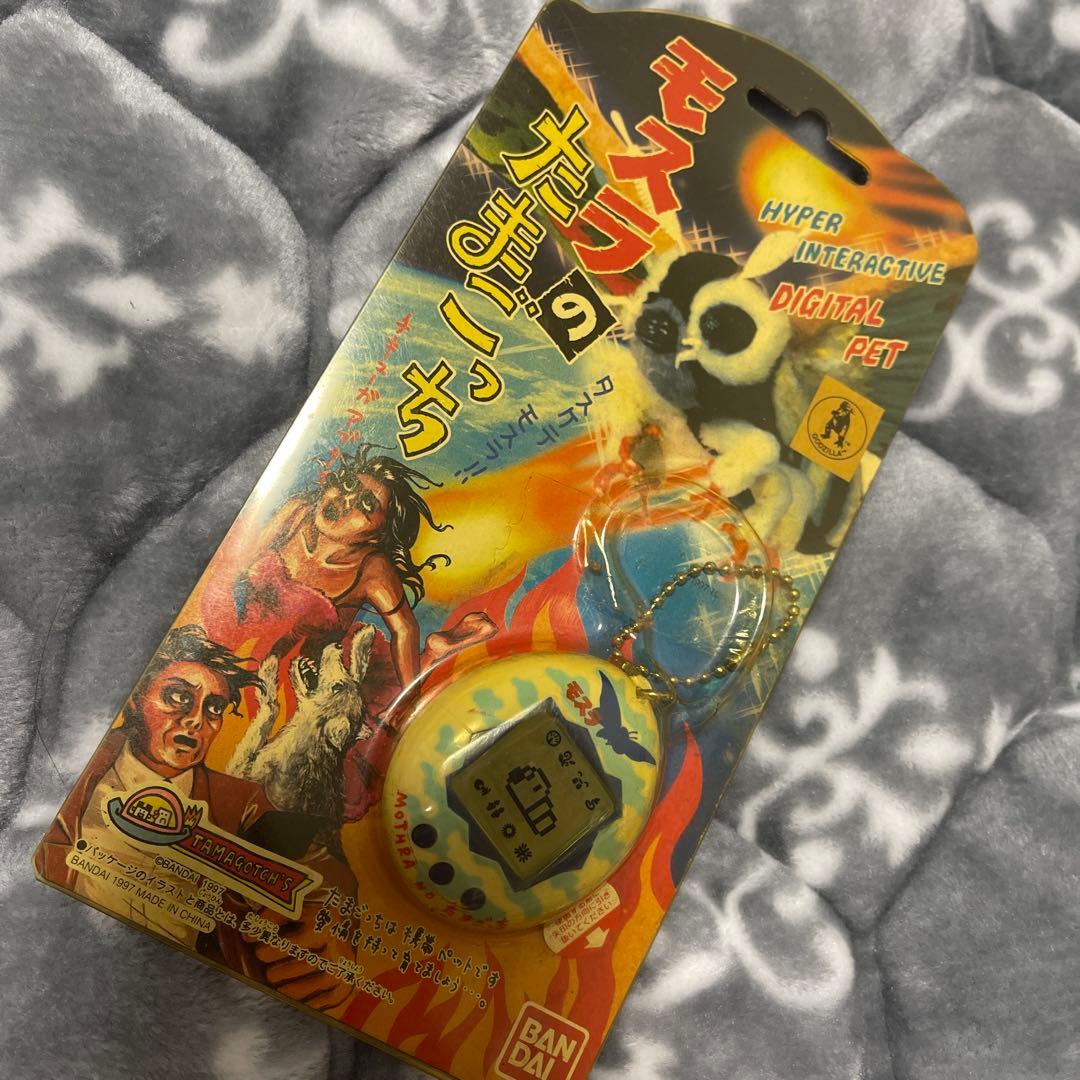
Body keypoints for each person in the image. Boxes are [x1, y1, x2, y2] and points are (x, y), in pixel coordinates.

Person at [35, 625, 357, 1014]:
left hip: (184, 1003)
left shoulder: (239, 802)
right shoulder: (74, 759)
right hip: (52, 960)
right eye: (178, 697)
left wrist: (333, 927)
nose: (195, 720)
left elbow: (322, 870)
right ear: (136, 698)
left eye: (214, 708)